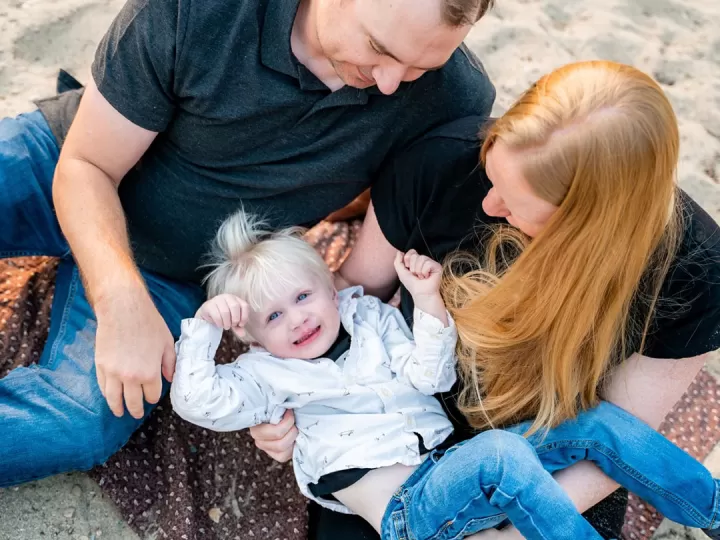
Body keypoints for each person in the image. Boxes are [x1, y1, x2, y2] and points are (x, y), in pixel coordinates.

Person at [0, 0, 497, 486]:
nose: (391, 82)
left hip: (178, 274)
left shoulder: (454, 94)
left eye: (420, 67)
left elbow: (378, 245)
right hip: (68, 166)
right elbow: (88, 165)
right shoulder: (199, 9)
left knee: (76, 424)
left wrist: (314, 395)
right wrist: (119, 301)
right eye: (378, 48)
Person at [251, 60, 720, 540]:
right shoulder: (439, 163)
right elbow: (353, 292)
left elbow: (625, 429)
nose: (490, 206)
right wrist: (284, 410)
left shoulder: (693, 268)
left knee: (601, 440)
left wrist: (509, 536)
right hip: (409, 433)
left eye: (517, 205)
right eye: (493, 175)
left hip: (551, 448)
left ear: (586, 226)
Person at [172, 210, 720, 540]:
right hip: (409, 516)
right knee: (501, 455)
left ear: (326, 284)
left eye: (303, 296)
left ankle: (713, 509)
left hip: (451, 473)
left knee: (595, 426)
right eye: (272, 316)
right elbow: (198, 402)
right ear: (249, 335)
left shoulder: (370, 318)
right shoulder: (263, 376)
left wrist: (427, 301)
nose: (298, 319)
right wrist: (202, 331)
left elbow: (430, 376)